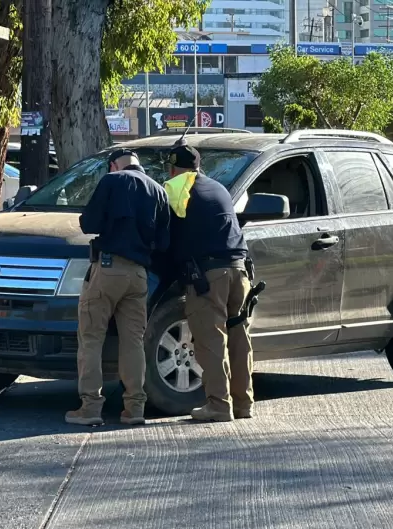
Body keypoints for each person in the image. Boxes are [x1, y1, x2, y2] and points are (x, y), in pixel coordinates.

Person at [67, 148, 171, 427]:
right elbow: (163, 242)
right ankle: (134, 409)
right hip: (139, 275)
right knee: (133, 341)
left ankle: (90, 407)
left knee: (91, 338)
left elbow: (89, 223)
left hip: (108, 269)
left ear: (113, 165)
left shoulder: (112, 181)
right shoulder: (159, 191)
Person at [163, 143, 254, 422]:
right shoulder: (218, 188)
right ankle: (243, 404)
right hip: (240, 271)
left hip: (209, 275)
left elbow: (167, 235)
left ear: (172, 168)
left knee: (211, 340)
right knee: (239, 338)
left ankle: (218, 404)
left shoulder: (177, 188)